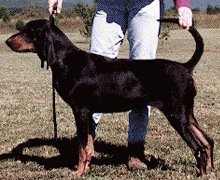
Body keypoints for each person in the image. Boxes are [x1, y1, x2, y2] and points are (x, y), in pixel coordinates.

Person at [48, 0, 192, 170]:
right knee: (90, 77)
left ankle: (135, 149)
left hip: (145, 5)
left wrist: (182, 4)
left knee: (144, 81)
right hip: (109, 4)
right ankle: (86, 144)